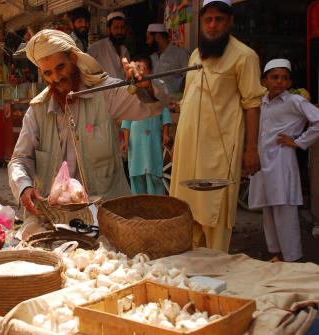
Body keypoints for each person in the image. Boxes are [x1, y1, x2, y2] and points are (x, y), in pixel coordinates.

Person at [7, 29, 164, 239]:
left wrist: (146, 87)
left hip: (106, 217)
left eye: (60, 67)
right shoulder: (37, 110)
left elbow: (152, 106)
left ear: (73, 59)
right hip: (53, 218)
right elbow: (19, 159)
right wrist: (24, 187)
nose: (56, 77)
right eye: (48, 73)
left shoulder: (104, 93)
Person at [170, 0, 265, 252]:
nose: (212, 26)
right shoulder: (195, 54)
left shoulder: (245, 57)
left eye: (219, 19)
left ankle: (215, 276)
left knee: (215, 215)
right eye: (208, 20)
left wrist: (251, 149)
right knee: (185, 213)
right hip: (188, 149)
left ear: (230, 21)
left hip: (219, 152)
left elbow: (252, 104)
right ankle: (188, 276)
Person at [249, 59, 319, 262]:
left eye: (284, 78)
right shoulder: (260, 102)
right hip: (263, 162)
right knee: (268, 209)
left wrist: (299, 142)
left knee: (285, 211)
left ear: (289, 83)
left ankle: (292, 258)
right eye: (274, 77)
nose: (279, 82)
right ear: (264, 81)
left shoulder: (295, 101)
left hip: (282, 162)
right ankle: (275, 254)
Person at [121, 56, 171, 195]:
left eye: (144, 69)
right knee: (136, 176)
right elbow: (127, 119)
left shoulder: (157, 87)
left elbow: (165, 111)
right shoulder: (132, 90)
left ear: (150, 71)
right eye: (138, 69)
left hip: (152, 139)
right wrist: (125, 141)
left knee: (153, 174)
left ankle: (156, 206)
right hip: (135, 141)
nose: (141, 72)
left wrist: (166, 134)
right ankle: (138, 207)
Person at [147, 23, 190, 94]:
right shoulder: (152, 57)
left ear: (157, 37)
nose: (147, 42)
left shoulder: (181, 54)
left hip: (175, 101)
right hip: (156, 101)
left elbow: (190, 79)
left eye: (149, 38)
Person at [88, 11, 130, 80]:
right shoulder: (96, 48)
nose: (120, 31)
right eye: (116, 28)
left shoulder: (125, 50)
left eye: (122, 28)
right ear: (108, 30)